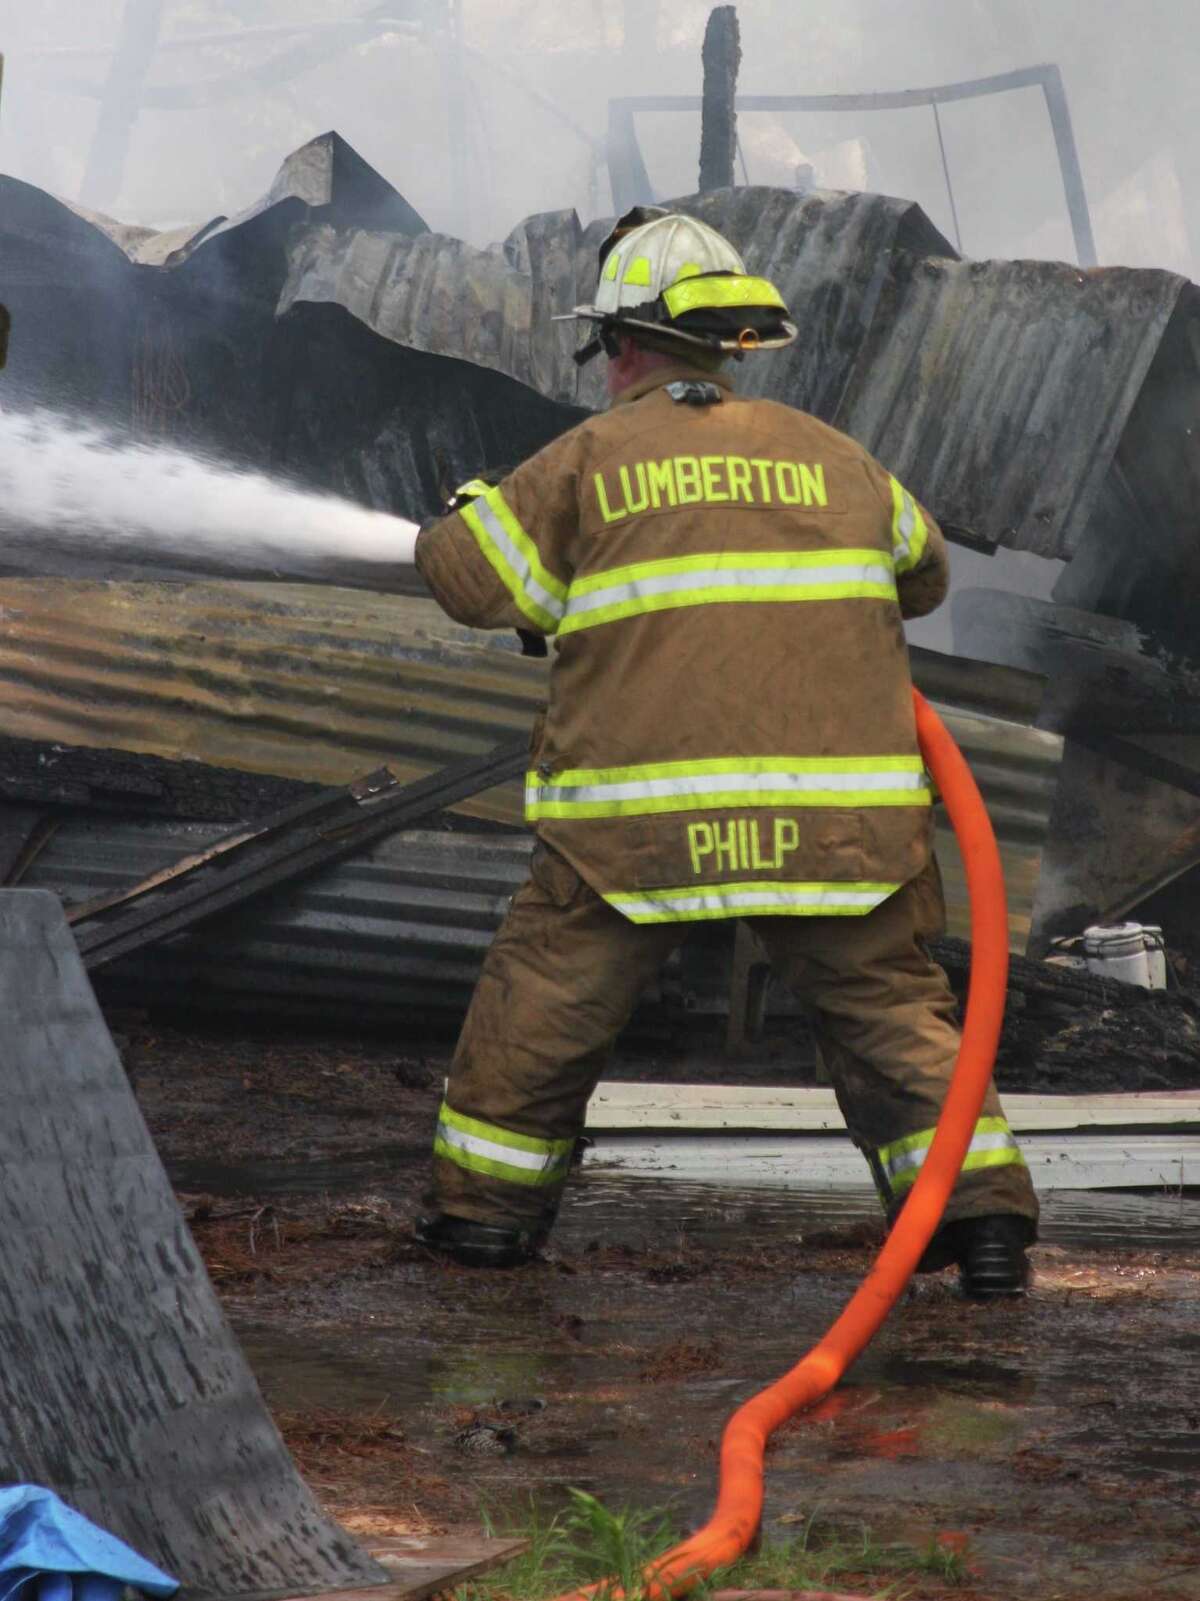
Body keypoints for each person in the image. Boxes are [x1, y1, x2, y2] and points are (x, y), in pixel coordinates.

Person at [411, 206, 1039, 1296]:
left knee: (543, 1001)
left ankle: (485, 1223)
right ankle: (979, 1220)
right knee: (895, 1014)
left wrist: (461, 511)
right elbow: (924, 572)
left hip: (637, 837)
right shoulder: (837, 459)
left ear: (623, 343)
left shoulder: (588, 460)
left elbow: (472, 581)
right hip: (840, 831)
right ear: (728, 345)